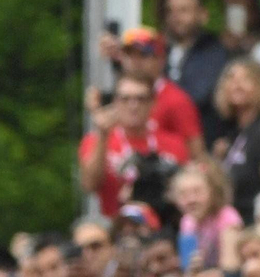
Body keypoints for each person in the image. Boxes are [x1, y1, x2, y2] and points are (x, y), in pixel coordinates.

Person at [80, 74, 190, 219]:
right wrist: (103, 136)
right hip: (116, 225)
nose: (133, 105)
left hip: (164, 225)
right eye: (125, 99)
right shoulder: (95, 140)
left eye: (141, 99)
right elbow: (89, 185)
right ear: (115, 103)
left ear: (153, 103)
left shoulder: (174, 143)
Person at [215, 59, 260, 224]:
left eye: (246, 78)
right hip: (234, 221)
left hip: (255, 224)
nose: (237, 84)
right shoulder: (232, 135)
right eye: (231, 78)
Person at [117, 27, 205, 160]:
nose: (135, 61)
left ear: (161, 59)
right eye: (129, 55)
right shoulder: (118, 93)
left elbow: (196, 152)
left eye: (143, 55)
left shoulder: (176, 100)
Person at [162, 0, 231, 141]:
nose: (175, 17)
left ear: (203, 15)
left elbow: (197, 95)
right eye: (170, 11)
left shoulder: (215, 51)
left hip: (203, 140)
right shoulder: (162, 49)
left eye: (183, 10)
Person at [171, 160, 242, 273]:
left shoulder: (227, 217)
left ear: (212, 192)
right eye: (183, 194)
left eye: (197, 192)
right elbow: (188, 270)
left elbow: (230, 268)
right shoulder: (187, 221)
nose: (191, 200)